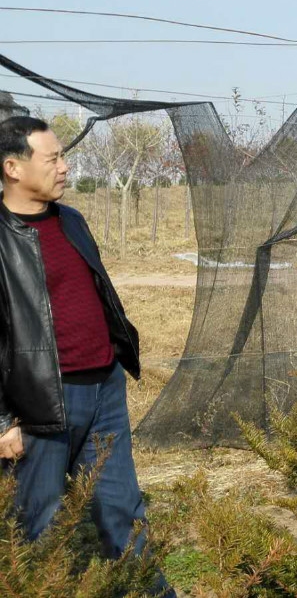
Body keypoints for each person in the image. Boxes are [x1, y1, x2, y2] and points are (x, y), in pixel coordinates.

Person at [0, 116, 174, 596]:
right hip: (39, 406)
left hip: (104, 392)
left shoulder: (71, 221)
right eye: (52, 158)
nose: (64, 166)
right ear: (13, 167)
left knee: (122, 511)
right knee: (38, 526)